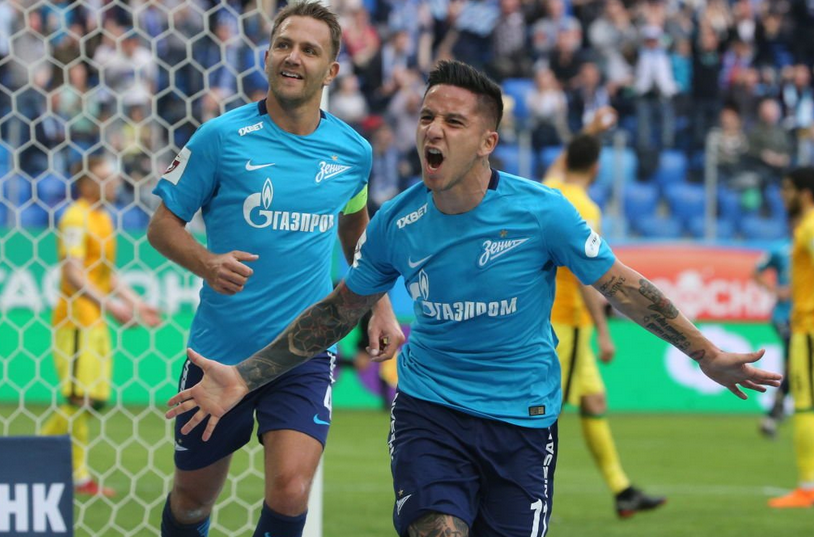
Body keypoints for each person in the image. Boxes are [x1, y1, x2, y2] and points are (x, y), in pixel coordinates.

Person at [166, 61, 781, 537]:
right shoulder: (395, 223)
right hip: (430, 411)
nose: (433, 131)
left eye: (453, 122)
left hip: (523, 419)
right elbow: (337, 312)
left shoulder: (542, 213)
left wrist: (705, 352)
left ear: (487, 142)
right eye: (426, 117)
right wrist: (246, 376)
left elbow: (623, 285)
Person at [146, 1, 403, 536]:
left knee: (290, 491)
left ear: (331, 71)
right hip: (220, 351)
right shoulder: (220, 138)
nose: (293, 57)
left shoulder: (353, 153)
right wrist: (207, 262)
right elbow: (162, 227)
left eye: (309, 50)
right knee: (192, 502)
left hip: (302, 353)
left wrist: (379, 304)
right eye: (284, 44)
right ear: (266, 56)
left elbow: (356, 232)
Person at [542, 114, 666, 518]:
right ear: (597, 168)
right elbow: (585, 274)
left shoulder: (551, 189)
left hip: (554, 318)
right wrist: (604, 330)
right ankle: (521, 489)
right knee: (545, 412)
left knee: (594, 400)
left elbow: (560, 163)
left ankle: (621, 490)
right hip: (566, 322)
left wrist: (590, 133)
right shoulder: (586, 208)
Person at [41, 155, 161, 497]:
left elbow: (105, 273)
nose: (115, 182)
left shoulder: (103, 218)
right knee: (80, 398)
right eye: (106, 177)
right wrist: (112, 306)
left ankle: (42, 456)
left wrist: (135, 302)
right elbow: (73, 272)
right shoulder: (75, 217)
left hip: (94, 322)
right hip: (75, 320)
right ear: (86, 183)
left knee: (93, 399)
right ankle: (66, 471)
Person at [769, 167, 814, 508]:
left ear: (804, 192)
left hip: (809, 328)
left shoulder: (810, 227)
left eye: (788, 189)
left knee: (805, 406)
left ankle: (808, 487)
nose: (783, 195)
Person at [753, 232, 793, 438]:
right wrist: (776, 290)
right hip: (785, 317)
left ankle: (776, 411)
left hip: (807, 318)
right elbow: (756, 271)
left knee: (795, 367)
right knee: (797, 363)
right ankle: (773, 414)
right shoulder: (780, 249)